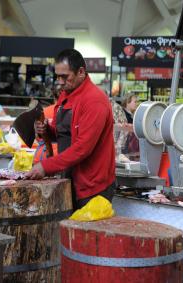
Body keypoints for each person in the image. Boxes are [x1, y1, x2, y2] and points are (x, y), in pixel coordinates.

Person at [27, 49, 116, 209]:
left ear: (81, 72)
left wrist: (46, 166)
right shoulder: (66, 94)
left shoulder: (94, 101)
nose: (60, 82)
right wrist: (47, 130)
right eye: (57, 76)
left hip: (93, 187)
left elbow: (82, 148)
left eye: (65, 76)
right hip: (71, 179)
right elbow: (65, 134)